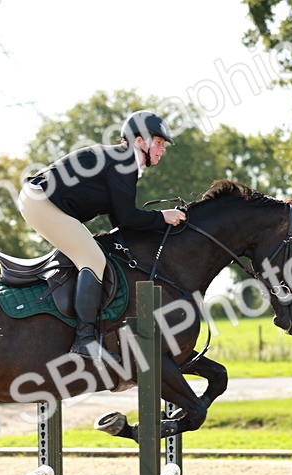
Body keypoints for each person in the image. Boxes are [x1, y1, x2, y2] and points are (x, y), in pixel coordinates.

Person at [20, 109, 187, 359]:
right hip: (41, 201)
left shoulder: (120, 160)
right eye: (159, 142)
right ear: (139, 141)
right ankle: (85, 339)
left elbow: (121, 220)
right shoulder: (124, 161)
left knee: (94, 253)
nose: (162, 149)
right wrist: (163, 216)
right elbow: (127, 218)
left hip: (40, 199)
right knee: (93, 259)